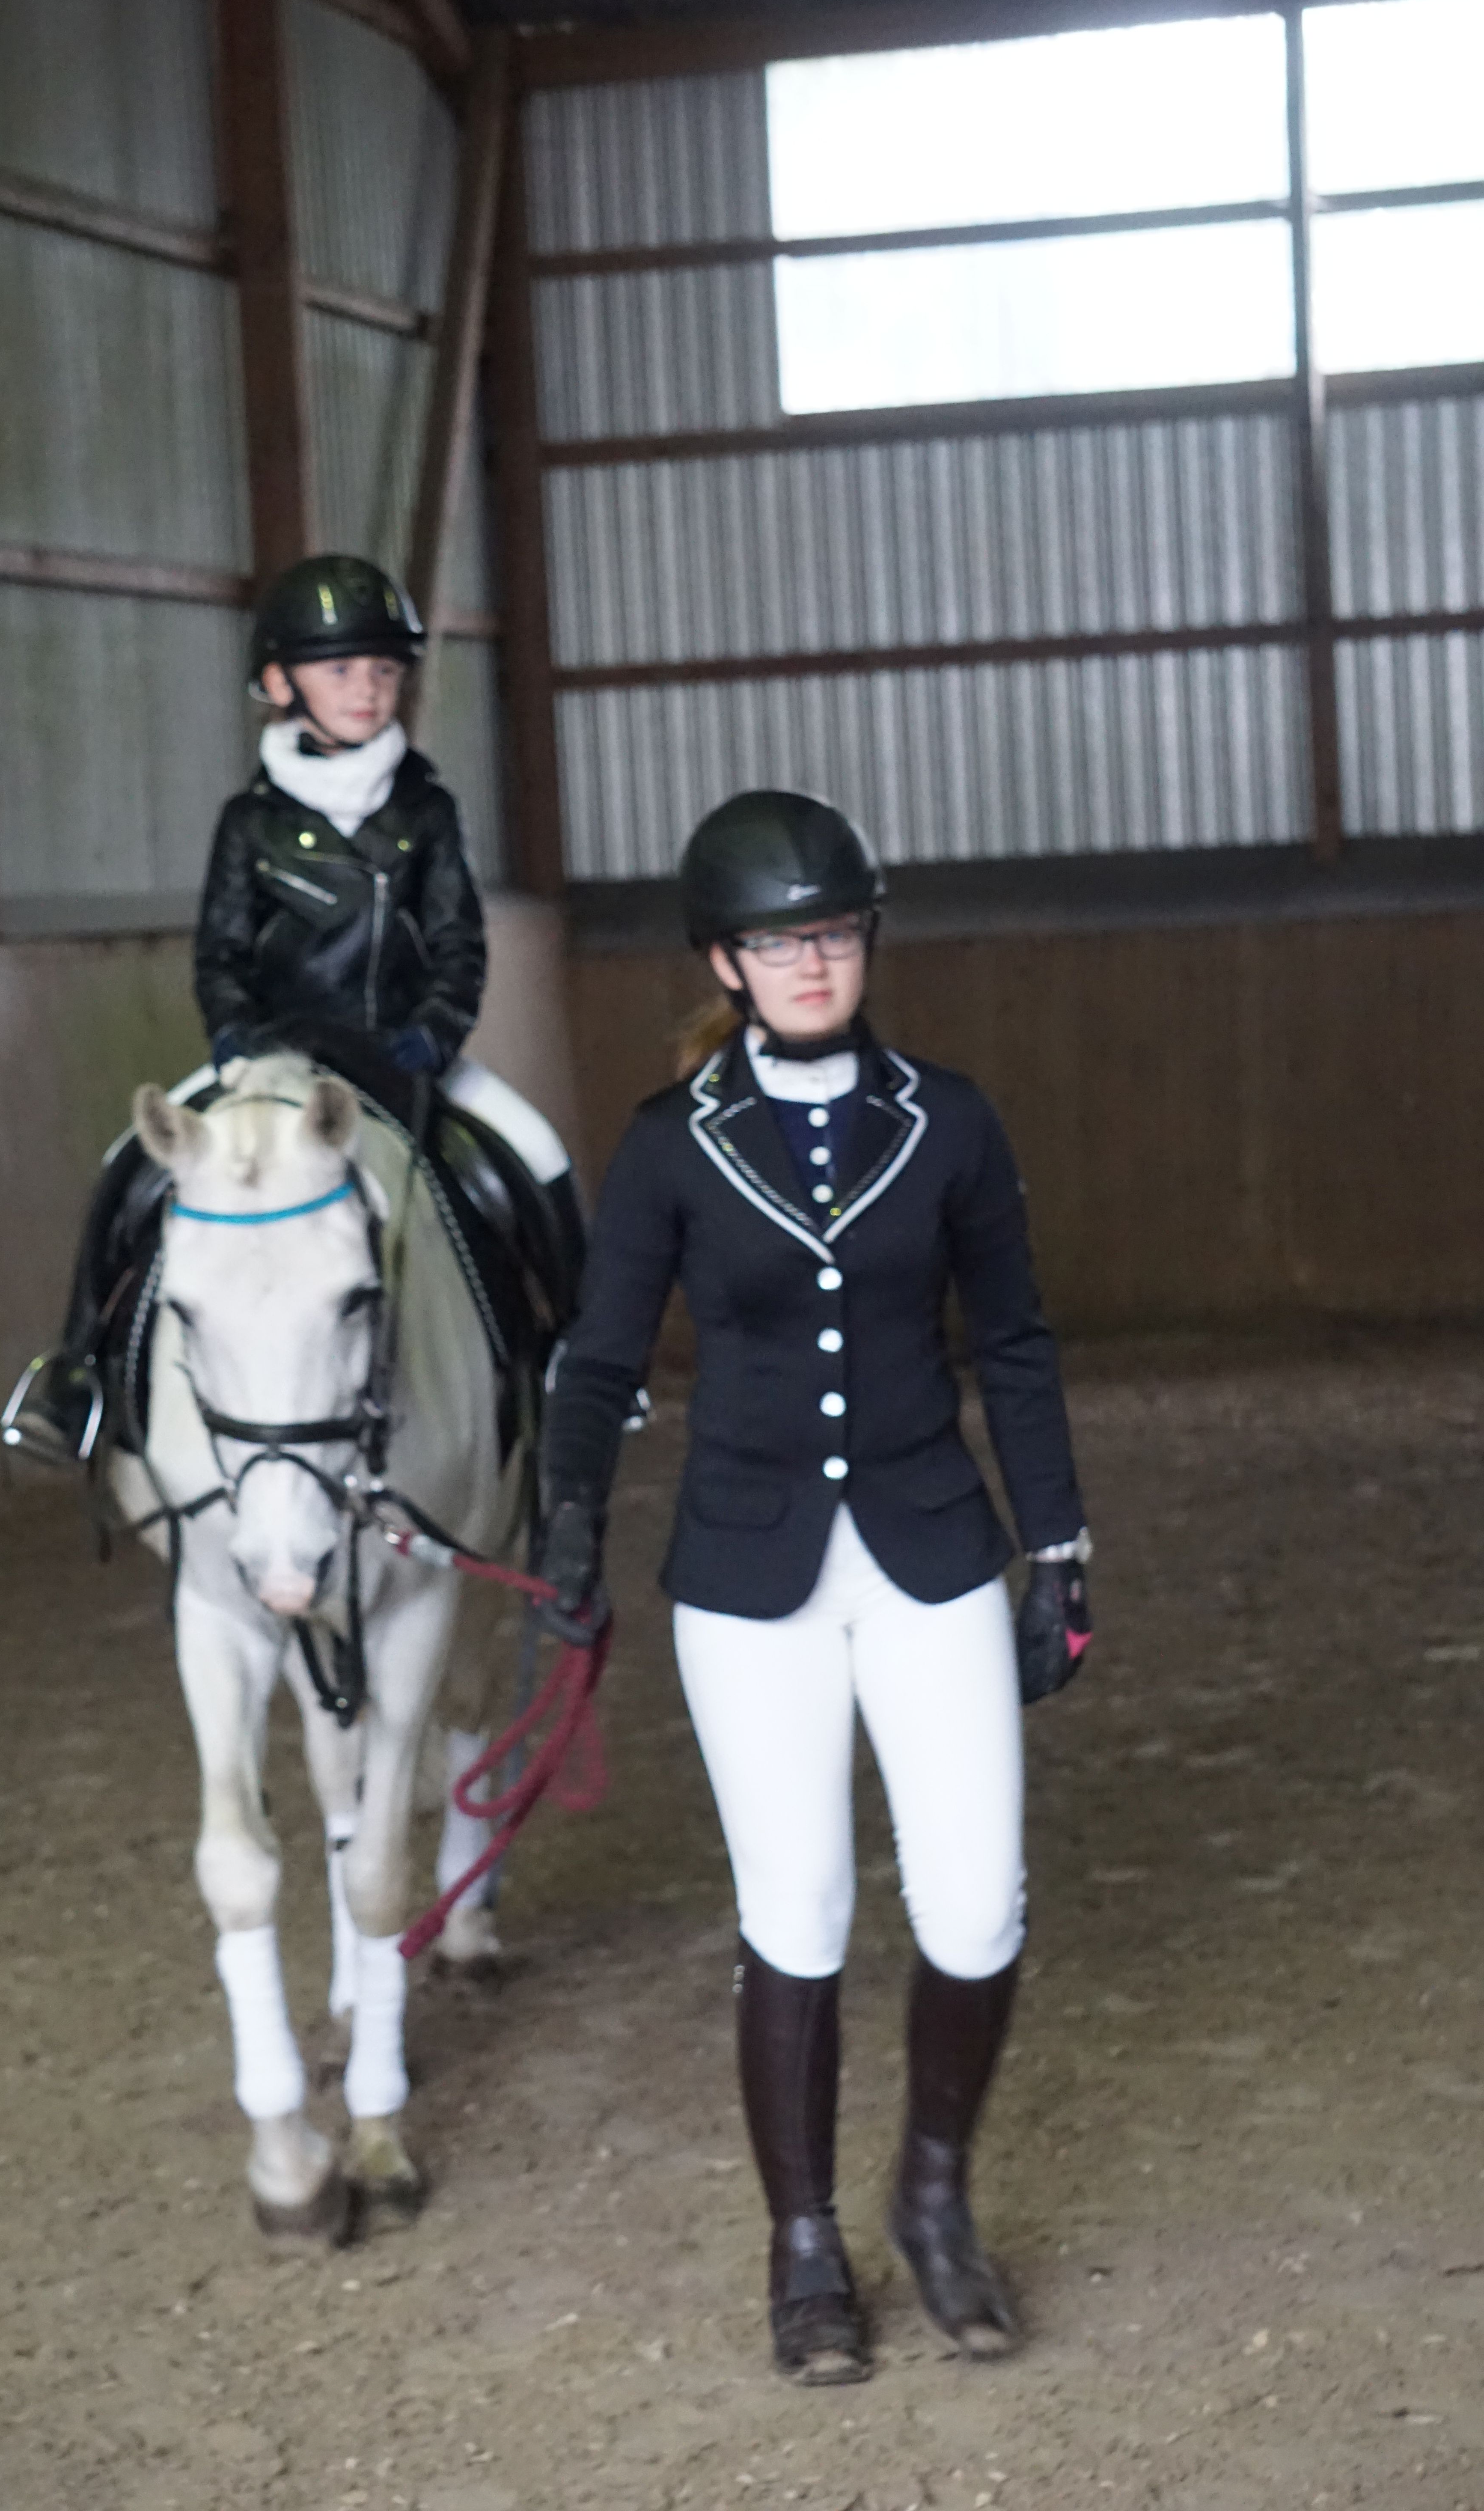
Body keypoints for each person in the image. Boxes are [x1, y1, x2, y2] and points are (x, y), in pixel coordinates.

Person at [535, 789, 1091, 2386]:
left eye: (834, 934)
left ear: (866, 943)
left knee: (973, 1905)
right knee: (798, 1908)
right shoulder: (670, 1144)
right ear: (727, 961)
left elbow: (1015, 1344)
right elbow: (599, 1359)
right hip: (748, 1573)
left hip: (930, 1551)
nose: (811, 962)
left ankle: (934, 2196)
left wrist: (1058, 1546)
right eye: (779, 943)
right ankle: (803, 2247)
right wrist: (568, 1525)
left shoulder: (951, 1121)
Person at [4, 553, 580, 1464]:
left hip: (403, 1053)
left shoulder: (427, 813)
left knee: (536, 1155)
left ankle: (574, 1358)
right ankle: (76, 1374)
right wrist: (233, 1037)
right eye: (341, 670)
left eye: (384, 670)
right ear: (280, 684)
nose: (368, 689)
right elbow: (221, 952)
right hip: (271, 1061)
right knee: (127, 1168)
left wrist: (434, 1032)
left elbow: (459, 944)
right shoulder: (250, 824)